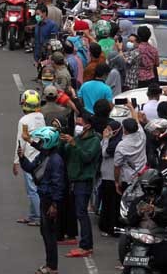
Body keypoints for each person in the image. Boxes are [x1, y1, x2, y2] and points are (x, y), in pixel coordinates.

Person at [19, 126, 66, 274]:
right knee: (45, 232)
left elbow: (58, 184)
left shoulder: (55, 160)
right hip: (44, 198)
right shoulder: (44, 155)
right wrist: (22, 158)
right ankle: (49, 264)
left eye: (42, 141)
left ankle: (52, 267)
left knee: (49, 234)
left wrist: (54, 204)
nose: (40, 143)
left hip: (50, 201)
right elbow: (30, 167)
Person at [60, 116, 101, 258]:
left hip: (84, 181)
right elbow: (66, 154)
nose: (77, 126)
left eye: (79, 123)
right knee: (78, 212)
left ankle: (86, 246)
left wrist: (74, 145)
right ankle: (83, 243)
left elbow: (87, 158)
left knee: (82, 213)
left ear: (88, 126)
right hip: (73, 180)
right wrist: (62, 142)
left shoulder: (94, 141)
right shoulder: (77, 138)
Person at [14, 90, 46, 226]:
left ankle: (38, 217)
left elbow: (20, 141)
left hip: (28, 158)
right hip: (39, 157)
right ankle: (33, 215)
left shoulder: (24, 121)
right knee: (34, 188)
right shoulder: (41, 117)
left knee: (32, 190)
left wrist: (16, 161)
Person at [98, 119, 123, 236]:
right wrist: (105, 139)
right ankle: (105, 226)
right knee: (106, 203)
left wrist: (106, 139)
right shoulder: (109, 141)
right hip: (106, 176)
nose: (107, 131)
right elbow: (101, 148)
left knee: (113, 204)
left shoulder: (117, 143)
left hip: (113, 177)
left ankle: (112, 227)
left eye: (109, 129)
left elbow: (105, 153)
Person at [114, 117, 147, 195]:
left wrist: (116, 182)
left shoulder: (121, 145)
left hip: (128, 180)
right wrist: (132, 109)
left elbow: (117, 167)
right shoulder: (142, 135)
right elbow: (136, 119)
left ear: (125, 130)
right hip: (143, 177)